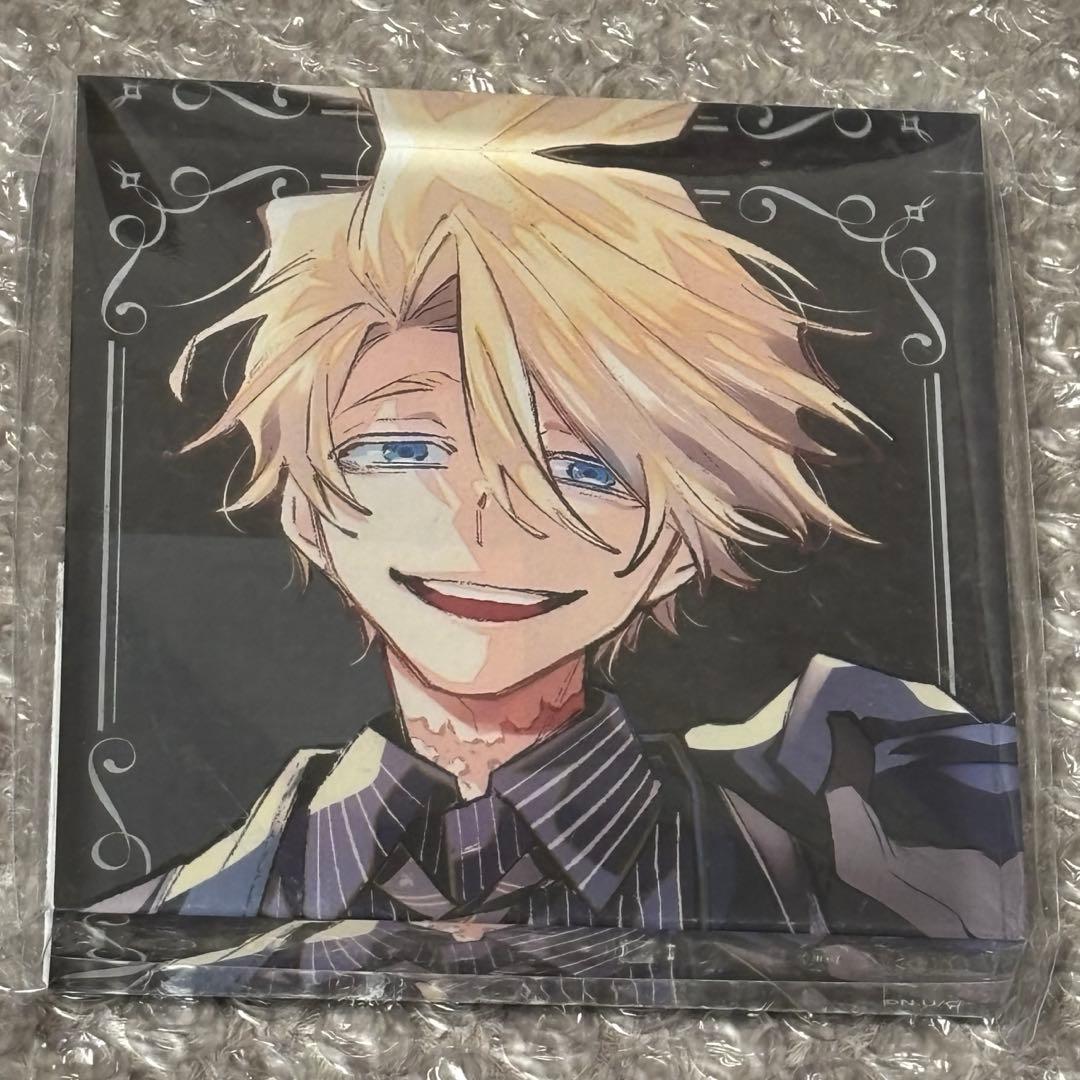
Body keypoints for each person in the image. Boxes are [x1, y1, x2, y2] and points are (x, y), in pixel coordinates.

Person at [92, 88, 1022, 949]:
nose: (491, 522)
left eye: (587, 469)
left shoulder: (851, 841)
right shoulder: (156, 928)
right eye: (406, 451)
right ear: (306, 508)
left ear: (676, 546)